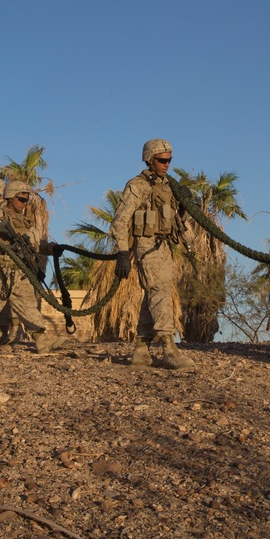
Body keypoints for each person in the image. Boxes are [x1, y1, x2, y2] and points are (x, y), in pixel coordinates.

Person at [110, 138, 194, 369]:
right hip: (146, 245)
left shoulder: (168, 186)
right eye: (162, 160)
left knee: (154, 293)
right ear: (149, 159)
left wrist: (186, 204)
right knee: (159, 291)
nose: (167, 164)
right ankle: (169, 349)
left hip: (165, 245)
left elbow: (178, 219)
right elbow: (120, 220)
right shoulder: (138, 185)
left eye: (169, 160)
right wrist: (123, 253)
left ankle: (141, 349)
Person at [0, 180, 63, 355]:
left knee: (28, 307)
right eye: (21, 199)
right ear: (10, 198)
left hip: (20, 271)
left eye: (26, 200)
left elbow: (35, 245)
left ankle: (42, 342)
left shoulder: (25, 222)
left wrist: (51, 248)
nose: (24, 203)